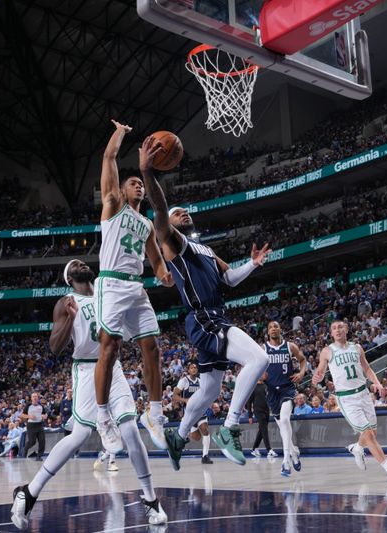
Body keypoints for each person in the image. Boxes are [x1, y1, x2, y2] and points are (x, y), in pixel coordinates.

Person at [138, 135, 270, 469]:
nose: (181, 213)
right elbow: (160, 208)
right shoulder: (175, 244)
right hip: (204, 319)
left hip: (213, 317)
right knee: (258, 358)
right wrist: (148, 172)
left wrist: (252, 265)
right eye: (176, 212)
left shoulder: (208, 251)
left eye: (185, 211)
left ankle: (178, 436)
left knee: (210, 391)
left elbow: (228, 279)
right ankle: (230, 428)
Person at [10, 259, 167, 530]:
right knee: (80, 435)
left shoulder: (108, 292)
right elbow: (55, 347)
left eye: (82, 262)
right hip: (85, 370)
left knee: (129, 428)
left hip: (113, 367)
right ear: (69, 278)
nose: (81, 264)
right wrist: (70, 319)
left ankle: (151, 500)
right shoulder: (65, 302)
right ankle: (30, 491)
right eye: (75, 265)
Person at [94, 120, 175, 454]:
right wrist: (120, 133)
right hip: (111, 283)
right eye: (133, 183)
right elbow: (109, 160)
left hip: (136, 287)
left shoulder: (145, 224)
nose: (139, 186)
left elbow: (155, 258)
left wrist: (163, 273)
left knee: (152, 346)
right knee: (109, 348)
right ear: (123, 190)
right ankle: (102, 417)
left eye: (141, 184)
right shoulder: (113, 206)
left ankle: (154, 413)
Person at [313, 320, 387, 481]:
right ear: (331, 333)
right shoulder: (327, 351)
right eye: (334, 328)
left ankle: (357, 447)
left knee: (372, 433)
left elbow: (366, 368)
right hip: (346, 398)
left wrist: (377, 383)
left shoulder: (357, 348)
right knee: (368, 434)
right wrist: (316, 376)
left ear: (346, 329)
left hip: (364, 394)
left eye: (340, 327)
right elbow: (321, 370)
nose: (337, 330)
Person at [263, 320, 305, 476]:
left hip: (287, 389)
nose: (273, 328)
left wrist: (301, 373)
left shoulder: (290, 346)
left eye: (276, 326)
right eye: (270, 327)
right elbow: (252, 365)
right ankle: (294, 453)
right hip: (271, 391)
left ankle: (285, 461)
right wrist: (260, 375)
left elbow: (302, 360)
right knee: (283, 428)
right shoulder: (263, 349)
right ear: (268, 332)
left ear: (280, 329)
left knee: (285, 420)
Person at [173, 361, 213, 464]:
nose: (194, 369)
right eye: (192, 368)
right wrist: (185, 400)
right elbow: (175, 396)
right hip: (189, 413)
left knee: (205, 430)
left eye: (195, 367)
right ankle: (186, 433)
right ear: (188, 370)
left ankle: (205, 456)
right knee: (197, 437)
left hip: (200, 411)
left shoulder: (200, 381)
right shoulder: (184, 381)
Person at [245, 374, 275, 461]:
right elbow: (249, 403)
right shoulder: (253, 387)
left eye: (265, 374)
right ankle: (269, 449)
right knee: (264, 429)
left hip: (267, 410)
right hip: (258, 410)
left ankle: (254, 449)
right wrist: (250, 416)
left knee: (262, 430)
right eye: (262, 374)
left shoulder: (266, 385)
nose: (265, 375)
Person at [20, 393, 46, 461]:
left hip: (39, 424)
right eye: (33, 397)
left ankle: (39, 456)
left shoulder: (41, 406)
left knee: (42, 441)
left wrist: (44, 416)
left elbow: (44, 414)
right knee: (32, 442)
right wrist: (29, 416)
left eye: (36, 397)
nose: (35, 398)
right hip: (31, 425)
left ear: (38, 398)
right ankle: (25, 449)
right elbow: (22, 415)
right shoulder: (28, 406)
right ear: (31, 398)